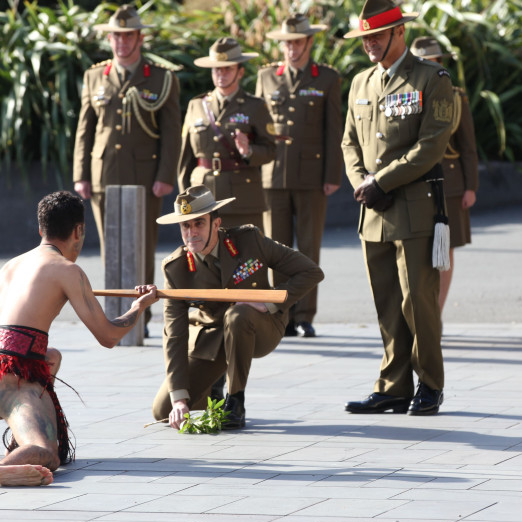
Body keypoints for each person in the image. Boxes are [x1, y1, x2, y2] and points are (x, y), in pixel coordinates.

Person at [341, 0, 454, 415]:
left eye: (376, 36)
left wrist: (381, 181)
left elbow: (432, 146)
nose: (369, 44)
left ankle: (429, 383)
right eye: (365, 37)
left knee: (417, 301)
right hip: (373, 211)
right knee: (387, 301)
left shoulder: (431, 78)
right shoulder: (360, 83)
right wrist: (361, 184)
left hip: (415, 208)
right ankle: (393, 384)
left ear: (399, 33)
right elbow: (348, 143)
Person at [0, 191, 158, 487]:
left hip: (13, 368)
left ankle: (19, 439)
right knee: (47, 454)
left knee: (52, 358)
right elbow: (108, 336)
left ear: (41, 230)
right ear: (78, 230)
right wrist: (139, 307)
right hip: (13, 376)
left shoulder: (10, 266)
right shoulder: (67, 270)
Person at [152, 185, 324, 430]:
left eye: (198, 223)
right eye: (185, 226)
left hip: (259, 327)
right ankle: (214, 391)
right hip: (214, 338)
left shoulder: (249, 241)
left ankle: (235, 400)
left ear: (216, 223)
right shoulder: (176, 268)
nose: (191, 233)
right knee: (164, 411)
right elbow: (174, 335)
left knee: (238, 314)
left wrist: (268, 301)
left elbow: (311, 271)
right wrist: (179, 399)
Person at [73, 4, 181, 329]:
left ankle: (141, 315)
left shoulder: (161, 78)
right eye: (116, 36)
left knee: (141, 247)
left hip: (145, 175)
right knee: (111, 248)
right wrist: (81, 174)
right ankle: (115, 314)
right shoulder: (95, 75)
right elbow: (85, 128)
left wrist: (165, 176)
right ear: (110, 38)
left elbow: (172, 133)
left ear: (139, 38)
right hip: (103, 173)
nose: (121, 42)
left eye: (128, 36)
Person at [255, 14, 344, 338]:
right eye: (287, 43)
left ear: (309, 43)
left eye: (297, 42)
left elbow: (333, 130)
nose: (291, 49)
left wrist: (332, 174)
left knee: (308, 248)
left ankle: (305, 316)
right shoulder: (267, 76)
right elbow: (257, 127)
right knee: (274, 250)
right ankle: (282, 315)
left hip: (311, 174)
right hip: (273, 175)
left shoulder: (327, 78)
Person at [410, 36, 479, 315]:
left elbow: (467, 145)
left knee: (443, 251)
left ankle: (434, 316)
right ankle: (419, 313)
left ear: (440, 64)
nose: (427, 66)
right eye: (421, 62)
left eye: (432, 61)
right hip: (413, 181)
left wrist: (470, 186)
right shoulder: (405, 94)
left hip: (449, 183)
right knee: (415, 252)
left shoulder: (456, 96)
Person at [178, 37, 276, 229]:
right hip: (201, 197)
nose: (221, 73)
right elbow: (186, 159)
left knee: (247, 257)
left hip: (242, 199)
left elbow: (271, 150)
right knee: (204, 257)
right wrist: (184, 200)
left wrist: (248, 151)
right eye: (217, 69)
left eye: (227, 68)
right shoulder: (196, 105)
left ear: (240, 72)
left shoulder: (255, 106)